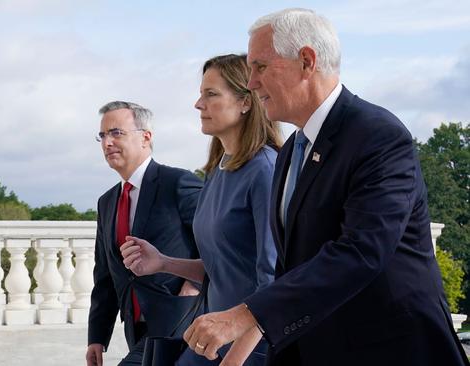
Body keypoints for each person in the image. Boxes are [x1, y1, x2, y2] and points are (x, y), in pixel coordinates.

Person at [181, 8, 470, 366]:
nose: (252, 83)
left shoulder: (378, 136)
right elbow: (291, 269)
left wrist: (245, 315)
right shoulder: (290, 153)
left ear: (306, 61)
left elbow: (361, 252)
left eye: (261, 67)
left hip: (389, 350)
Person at [121, 54, 282, 366]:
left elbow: (273, 282)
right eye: (200, 94)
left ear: (245, 101)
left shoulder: (265, 170)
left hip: (252, 348)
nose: (198, 104)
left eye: (211, 94)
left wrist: (233, 360)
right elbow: (223, 268)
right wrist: (164, 262)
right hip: (210, 341)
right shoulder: (217, 171)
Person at [86, 101, 203, 366]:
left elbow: (215, 241)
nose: (107, 143)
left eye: (116, 133)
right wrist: (97, 337)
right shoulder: (107, 202)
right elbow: (105, 274)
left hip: (181, 320)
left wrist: (193, 287)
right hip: (136, 327)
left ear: (145, 137)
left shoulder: (177, 183)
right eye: (102, 136)